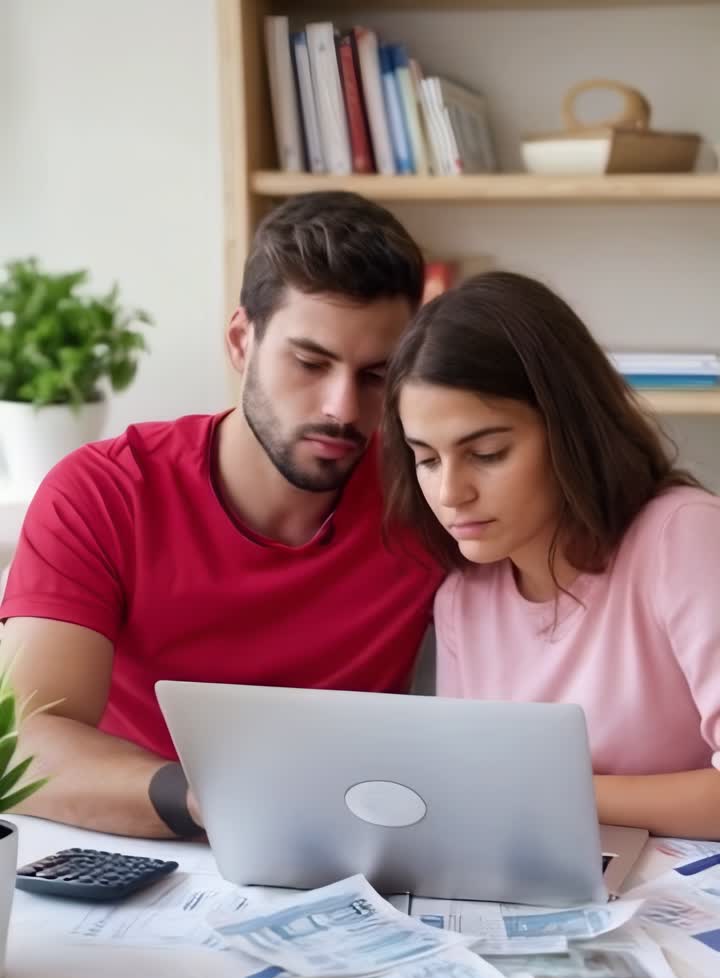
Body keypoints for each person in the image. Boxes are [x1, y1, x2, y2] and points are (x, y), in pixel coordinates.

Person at [1, 192, 443, 838]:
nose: (342, 408)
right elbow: (22, 741)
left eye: (375, 375)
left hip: (349, 849)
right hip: (136, 843)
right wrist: (209, 799)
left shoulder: (430, 497)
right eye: (310, 363)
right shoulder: (102, 494)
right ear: (241, 341)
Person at [382, 270, 720, 839]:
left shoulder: (682, 538)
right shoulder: (463, 599)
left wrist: (553, 792)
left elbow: (496, 790)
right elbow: (474, 790)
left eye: (486, 453)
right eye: (428, 459)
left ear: (569, 428)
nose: (450, 493)